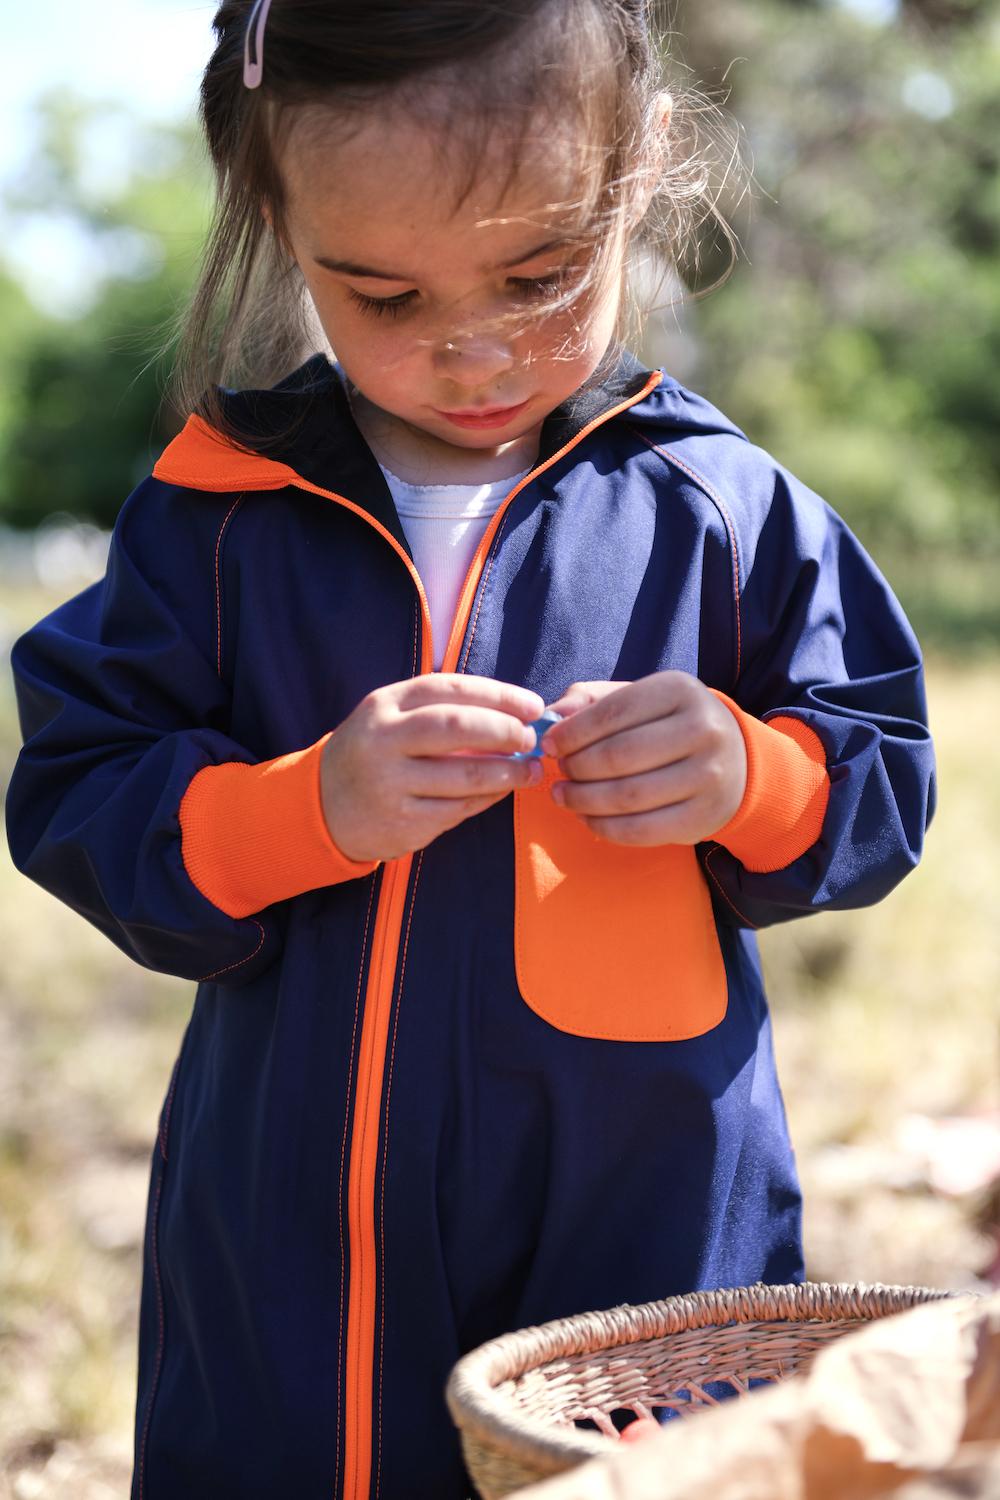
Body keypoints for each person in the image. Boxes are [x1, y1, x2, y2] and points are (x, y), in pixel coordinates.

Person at [5, 1, 935, 1497]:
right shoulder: (218, 509)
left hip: (647, 1206)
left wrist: (752, 777)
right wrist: (306, 807)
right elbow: (76, 788)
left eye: (540, 275)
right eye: (382, 296)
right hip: (301, 1222)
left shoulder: (720, 502)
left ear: (641, 173)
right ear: (277, 221)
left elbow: (884, 773)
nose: (474, 348)